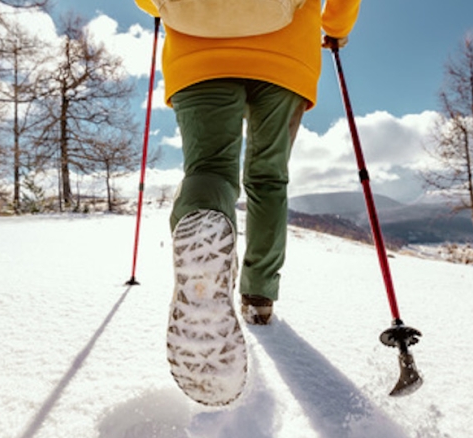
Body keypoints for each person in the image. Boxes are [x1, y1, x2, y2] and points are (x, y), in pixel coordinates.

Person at [135, 0, 360, 327]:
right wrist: (337, 27)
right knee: (267, 178)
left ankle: (202, 270)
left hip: (197, 49)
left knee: (208, 170)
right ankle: (259, 296)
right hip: (287, 52)